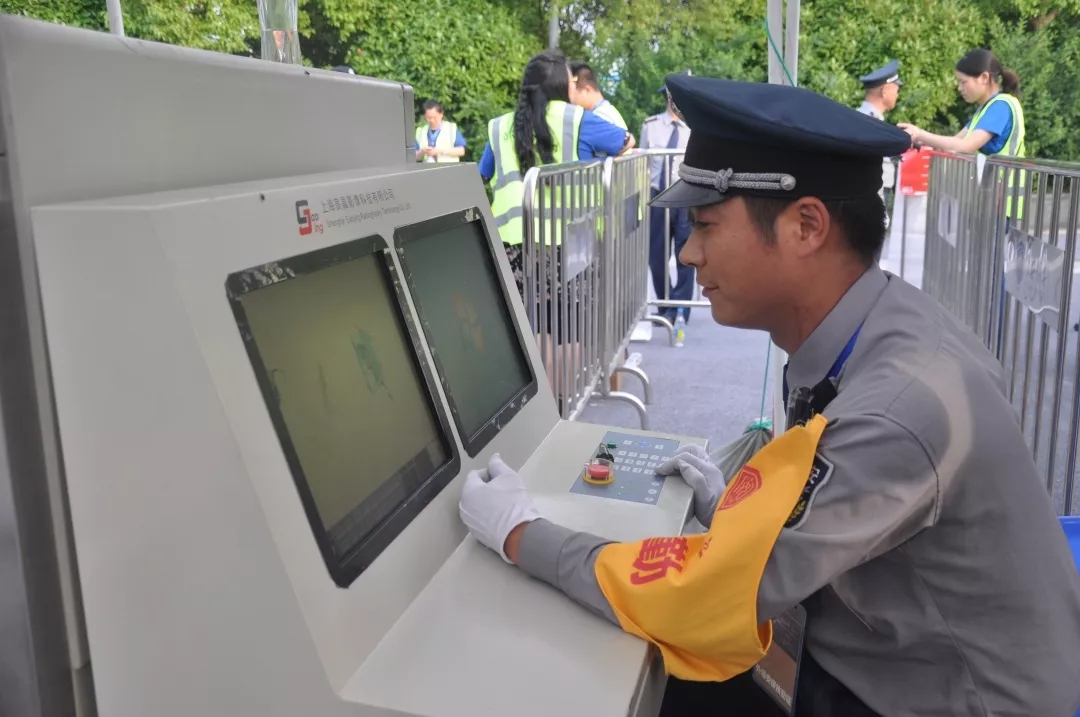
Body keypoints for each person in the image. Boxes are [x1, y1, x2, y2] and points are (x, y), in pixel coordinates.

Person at [458, 72, 1080, 717]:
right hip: (884, 661)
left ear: (806, 227)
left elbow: (709, 596)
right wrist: (733, 511)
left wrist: (521, 533)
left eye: (705, 225)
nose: (689, 253)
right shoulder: (865, 328)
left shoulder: (898, 403)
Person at [478, 50, 633, 395]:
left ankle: (538, 402)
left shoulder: (500, 126)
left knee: (528, 325)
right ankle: (563, 401)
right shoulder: (578, 120)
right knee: (570, 326)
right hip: (570, 245)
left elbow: (482, 173)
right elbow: (624, 141)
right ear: (563, 85)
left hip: (514, 244)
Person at [898, 49, 1024, 159]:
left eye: (963, 82)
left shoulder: (1000, 107)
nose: (959, 88)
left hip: (1003, 180)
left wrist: (920, 134)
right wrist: (919, 139)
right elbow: (955, 142)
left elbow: (965, 146)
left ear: (984, 78)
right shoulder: (985, 109)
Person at [640, 71, 693, 324]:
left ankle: (681, 308)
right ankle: (664, 306)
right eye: (672, 97)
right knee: (657, 255)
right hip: (658, 195)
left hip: (685, 197)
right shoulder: (651, 126)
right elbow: (642, 166)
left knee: (686, 253)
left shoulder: (694, 129)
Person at [856, 59, 903, 223]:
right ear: (884, 92)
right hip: (870, 195)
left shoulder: (869, 118)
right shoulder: (869, 121)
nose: (897, 95)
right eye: (896, 89)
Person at [568, 61, 628, 130]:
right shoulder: (606, 112)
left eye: (573, 93)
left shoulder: (600, 118)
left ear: (587, 90)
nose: (571, 100)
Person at [414, 99, 466, 163]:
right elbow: (414, 156)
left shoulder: (451, 128)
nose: (432, 120)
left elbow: (461, 151)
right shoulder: (420, 131)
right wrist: (422, 151)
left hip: (448, 167)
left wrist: (440, 151)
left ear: (441, 114)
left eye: (434, 117)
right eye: (429, 117)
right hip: (427, 167)